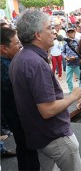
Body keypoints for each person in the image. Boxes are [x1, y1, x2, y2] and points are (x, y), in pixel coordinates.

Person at [9, 9, 81, 171]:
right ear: (37, 35)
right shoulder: (35, 63)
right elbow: (47, 110)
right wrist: (73, 96)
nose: (54, 32)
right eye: (49, 28)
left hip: (39, 135)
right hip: (54, 136)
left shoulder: (20, 58)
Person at [1, 26, 32, 168]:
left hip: (12, 119)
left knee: (23, 150)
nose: (19, 46)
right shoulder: (8, 67)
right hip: (17, 118)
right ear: (3, 48)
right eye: (16, 44)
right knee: (28, 153)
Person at [62, 27, 81, 93]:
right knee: (68, 80)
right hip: (69, 64)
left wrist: (75, 57)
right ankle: (71, 92)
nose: (71, 33)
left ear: (75, 32)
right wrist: (65, 57)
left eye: (72, 32)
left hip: (77, 63)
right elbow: (62, 52)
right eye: (69, 32)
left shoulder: (78, 41)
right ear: (67, 34)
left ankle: (80, 92)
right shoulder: (65, 43)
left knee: (80, 79)